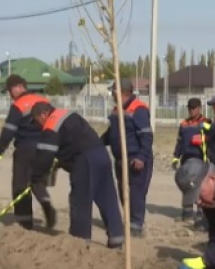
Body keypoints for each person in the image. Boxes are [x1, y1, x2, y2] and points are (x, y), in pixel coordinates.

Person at [31, 103, 124, 248]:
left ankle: (79, 241)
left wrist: (36, 176)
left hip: (85, 159)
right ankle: (116, 238)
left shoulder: (51, 124)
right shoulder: (68, 114)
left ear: (43, 114)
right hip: (101, 154)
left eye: (36, 120)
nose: (38, 125)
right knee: (107, 197)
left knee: (80, 200)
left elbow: (45, 156)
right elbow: (71, 141)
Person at [0, 75, 47, 230]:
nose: (10, 95)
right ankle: (47, 207)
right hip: (45, 148)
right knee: (37, 183)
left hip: (26, 149)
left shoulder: (19, 105)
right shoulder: (43, 101)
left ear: (17, 88)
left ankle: (24, 223)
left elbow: (9, 130)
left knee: (20, 186)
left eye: (10, 91)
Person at [101, 79, 153, 237]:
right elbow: (111, 134)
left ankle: (136, 226)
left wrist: (141, 157)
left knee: (136, 192)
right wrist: (96, 143)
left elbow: (147, 136)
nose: (112, 94)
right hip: (120, 160)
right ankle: (129, 221)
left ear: (122, 92)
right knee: (124, 191)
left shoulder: (138, 109)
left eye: (113, 91)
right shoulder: (117, 110)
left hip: (135, 159)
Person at [171, 98, 210, 222]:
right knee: (186, 183)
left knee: (200, 186)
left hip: (201, 158)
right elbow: (180, 142)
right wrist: (176, 157)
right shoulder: (184, 124)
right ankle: (187, 213)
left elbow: (212, 136)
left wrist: (204, 138)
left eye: (194, 108)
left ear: (199, 108)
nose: (191, 111)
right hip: (186, 159)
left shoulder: (206, 122)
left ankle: (201, 213)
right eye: (189, 108)